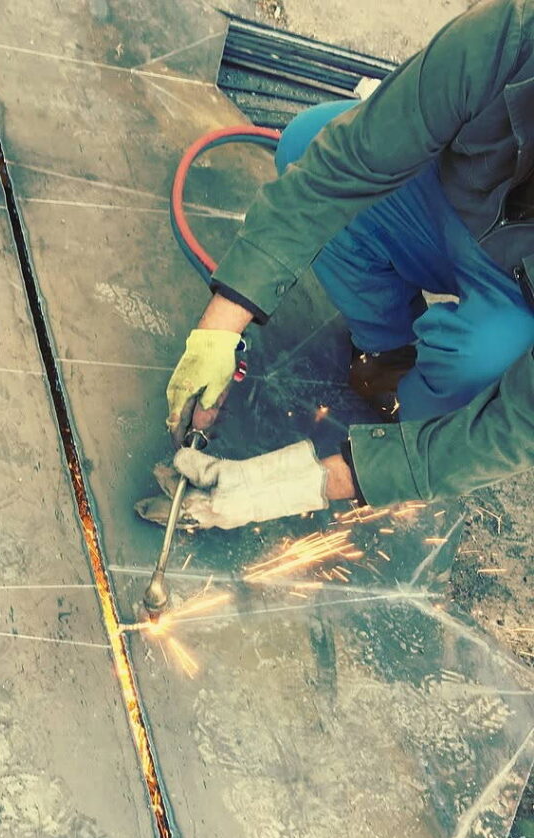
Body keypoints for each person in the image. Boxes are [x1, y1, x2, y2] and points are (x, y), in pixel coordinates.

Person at [161, 0, 534, 530]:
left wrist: (327, 479)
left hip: (516, 291)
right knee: (306, 143)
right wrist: (219, 327)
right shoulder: (511, 35)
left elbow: (520, 423)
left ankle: (413, 416)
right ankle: (386, 352)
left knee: (480, 356)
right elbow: (345, 167)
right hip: (445, 206)